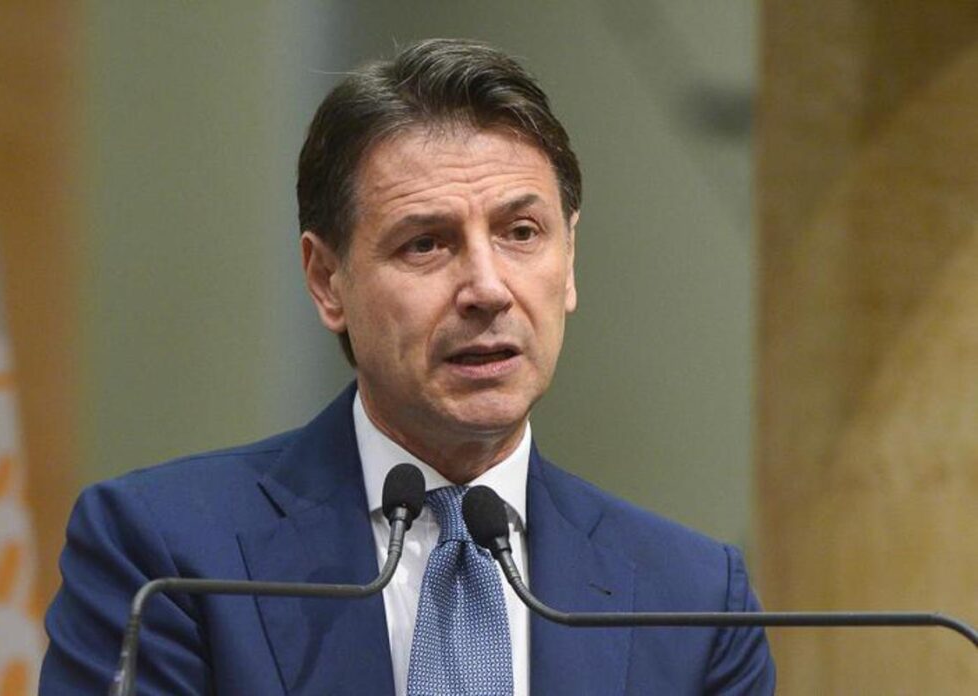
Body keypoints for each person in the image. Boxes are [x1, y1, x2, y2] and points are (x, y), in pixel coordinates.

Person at [40, 39, 775, 695]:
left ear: (570, 259)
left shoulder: (695, 601)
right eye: (425, 243)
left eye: (522, 233)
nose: (488, 288)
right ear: (327, 281)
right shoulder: (166, 556)